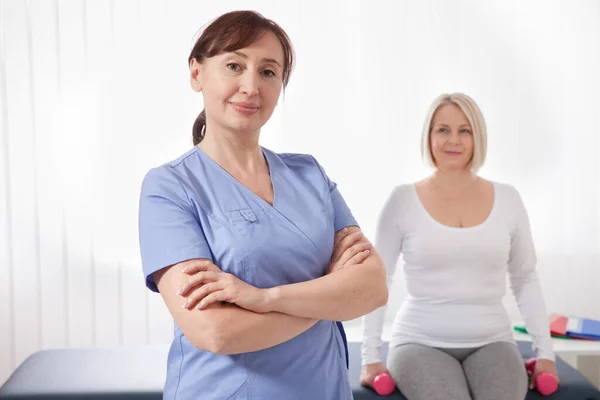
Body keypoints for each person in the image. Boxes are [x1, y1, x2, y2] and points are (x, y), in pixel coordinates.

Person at [138, 10, 388, 400]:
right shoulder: (170, 187)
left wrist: (262, 299)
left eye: (268, 72)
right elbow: (215, 331)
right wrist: (331, 298)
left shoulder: (310, 175)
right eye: (234, 65)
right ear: (196, 73)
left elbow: (372, 288)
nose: (251, 86)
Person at [360, 93, 559, 400]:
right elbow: (377, 279)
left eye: (464, 130)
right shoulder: (402, 200)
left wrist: (545, 351)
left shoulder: (509, 200)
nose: (453, 140)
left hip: (494, 340)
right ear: (429, 136)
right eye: (443, 130)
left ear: (477, 136)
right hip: (419, 341)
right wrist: (370, 358)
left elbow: (525, 278)